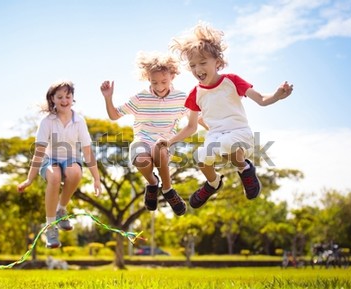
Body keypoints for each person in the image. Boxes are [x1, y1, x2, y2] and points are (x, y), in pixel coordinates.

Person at [158, 21, 293, 208]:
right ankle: (213, 183)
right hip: (216, 137)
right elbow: (191, 126)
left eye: (203, 63)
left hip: (239, 131)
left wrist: (278, 95)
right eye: (193, 65)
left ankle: (245, 168)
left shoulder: (231, 81)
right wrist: (170, 141)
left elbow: (261, 99)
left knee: (228, 145)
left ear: (218, 62)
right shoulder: (195, 94)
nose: (198, 69)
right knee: (200, 156)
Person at [100, 51, 188, 216]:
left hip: (165, 142)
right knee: (140, 158)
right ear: (148, 79)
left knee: (160, 147)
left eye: (164, 81)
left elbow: (196, 120)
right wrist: (108, 98)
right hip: (142, 139)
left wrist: (216, 127)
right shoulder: (140, 98)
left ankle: (168, 190)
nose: (160, 86)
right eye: (154, 82)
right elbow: (114, 115)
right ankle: (153, 183)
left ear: (172, 77)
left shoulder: (181, 98)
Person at [17, 80, 101, 248]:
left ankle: (61, 209)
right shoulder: (47, 121)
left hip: (71, 158)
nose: (64, 100)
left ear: (72, 98)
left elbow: (87, 151)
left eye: (68, 96)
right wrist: (29, 179)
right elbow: (39, 151)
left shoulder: (79, 121)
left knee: (75, 173)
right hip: (50, 159)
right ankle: (50, 227)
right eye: (60, 97)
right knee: (54, 176)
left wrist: (96, 179)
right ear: (52, 99)